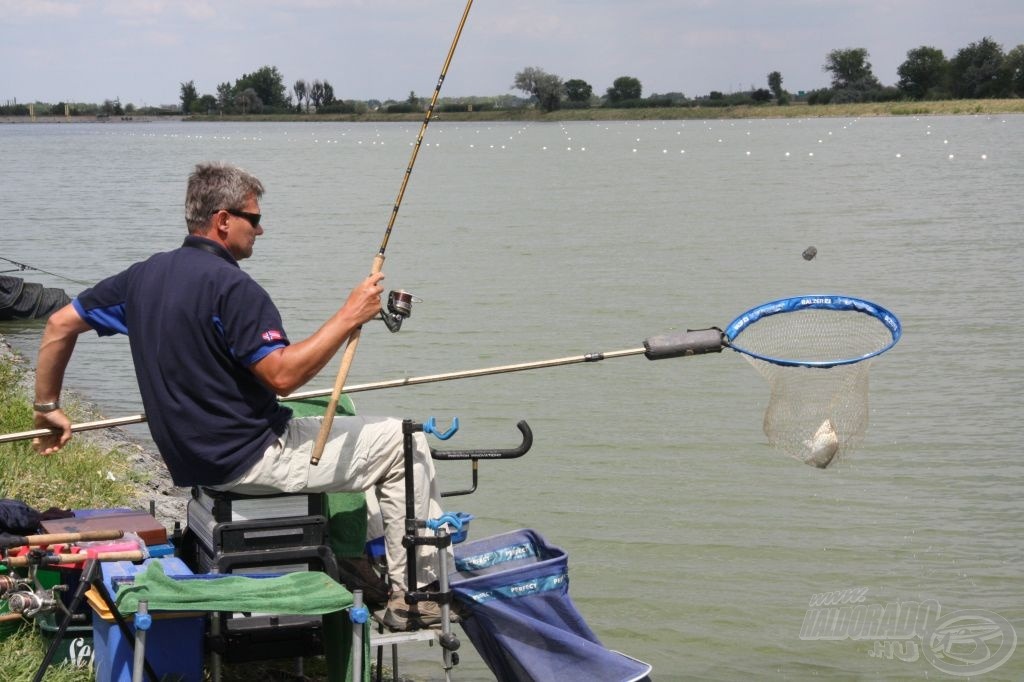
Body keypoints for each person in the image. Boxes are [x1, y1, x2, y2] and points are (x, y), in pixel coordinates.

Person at [32, 161, 446, 630]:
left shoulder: (144, 276)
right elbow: (283, 376)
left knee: (363, 434)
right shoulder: (233, 287)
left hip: (194, 460)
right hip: (248, 457)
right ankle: (417, 598)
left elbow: (59, 324)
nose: (261, 229)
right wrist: (349, 315)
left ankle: (358, 563)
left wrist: (48, 407)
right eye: (254, 218)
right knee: (403, 442)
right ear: (223, 220)